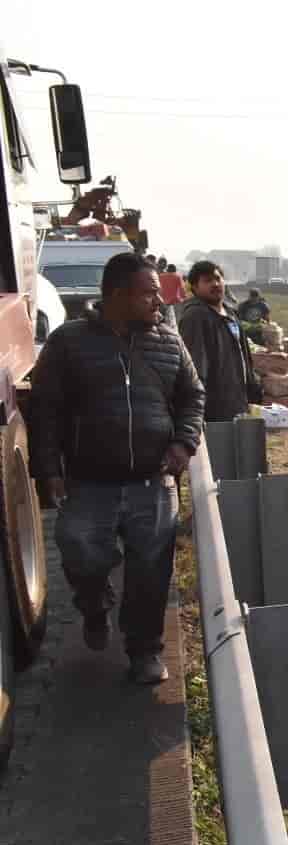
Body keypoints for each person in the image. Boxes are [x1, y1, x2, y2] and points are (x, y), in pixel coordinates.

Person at [29, 252, 206, 684]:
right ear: (116, 295)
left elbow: (192, 396)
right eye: (148, 294)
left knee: (150, 574)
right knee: (78, 551)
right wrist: (48, 471)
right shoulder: (68, 343)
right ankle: (93, 603)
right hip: (89, 482)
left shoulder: (168, 341)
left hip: (152, 479)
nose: (158, 303)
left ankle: (144, 651)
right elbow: (45, 411)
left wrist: (184, 443)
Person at [179, 261, 260, 422]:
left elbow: (243, 356)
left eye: (218, 278)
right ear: (195, 287)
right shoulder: (195, 317)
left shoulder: (230, 314)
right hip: (212, 409)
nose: (215, 284)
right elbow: (194, 367)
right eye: (207, 280)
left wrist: (253, 389)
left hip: (237, 402)